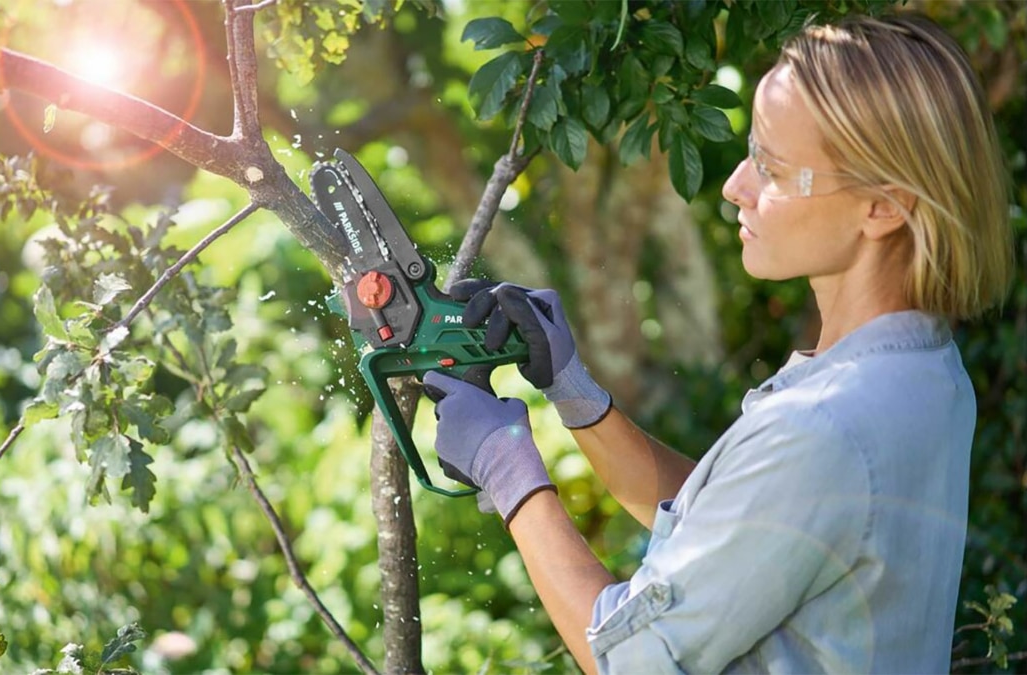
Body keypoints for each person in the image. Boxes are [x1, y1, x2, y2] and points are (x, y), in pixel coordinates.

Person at [422, 13, 1015, 675]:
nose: (736, 184)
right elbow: (733, 534)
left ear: (883, 206)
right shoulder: (924, 369)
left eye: (773, 166)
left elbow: (630, 662)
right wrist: (574, 391)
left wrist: (508, 470)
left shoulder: (823, 427)